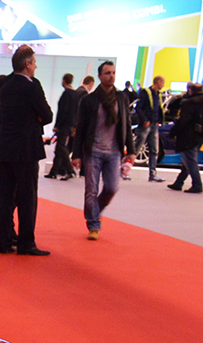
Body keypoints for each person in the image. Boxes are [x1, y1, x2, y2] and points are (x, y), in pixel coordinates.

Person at [0, 44, 53, 255]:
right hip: (26, 148)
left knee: (6, 195)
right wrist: (35, 118)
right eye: (34, 63)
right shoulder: (32, 86)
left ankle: (5, 241)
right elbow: (47, 115)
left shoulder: (5, 85)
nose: (35, 66)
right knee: (27, 196)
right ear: (27, 64)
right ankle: (27, 243)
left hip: (5, 145)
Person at [71, 60, 131, 239]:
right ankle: (94, 225)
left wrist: (132, 150)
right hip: (93, 151)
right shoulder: (89, 100)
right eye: (107, 73)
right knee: (91, 189)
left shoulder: (121, 98)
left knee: (112, 188)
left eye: (113, 73)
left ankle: (94, 210)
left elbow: (126, 124)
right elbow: (80, 128)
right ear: (99, 77)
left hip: (114, 152)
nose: (111, 76)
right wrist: (76, 154)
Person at [166, 82, 203, 193]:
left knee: (190, 160)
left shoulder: (189, 103)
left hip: (189, 135)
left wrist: (173, 132)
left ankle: (197, 184)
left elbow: (183, 120)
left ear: (190, 90)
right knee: (187, 160)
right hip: (202, 135)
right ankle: (179, 183)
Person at [47, 72, 79, 179]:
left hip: (64, 125)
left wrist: (57, 125)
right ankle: (53, 172)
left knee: (61, 147)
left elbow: (62, 111)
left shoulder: (66, 94)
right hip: (71, 125)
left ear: (64, 81)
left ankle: (70, 170)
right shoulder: (76, 94)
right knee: (59, 148)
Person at [135, 75, 166, 181]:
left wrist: (159, 121)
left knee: (154, 150)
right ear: (158, 82)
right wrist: (144, 120)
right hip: (146, 125)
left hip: (154, 125)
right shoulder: (146, 92)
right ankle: (124, 170)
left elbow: (159, 109)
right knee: (137, 148)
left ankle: (152, 174)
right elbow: (138, 108)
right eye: (163, 83)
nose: (163, 85)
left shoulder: (158, 95)